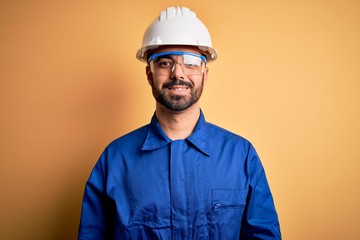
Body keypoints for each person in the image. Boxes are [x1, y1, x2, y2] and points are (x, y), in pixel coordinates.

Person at [78, 6, 281, 240]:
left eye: (191, 62)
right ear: (149, 74)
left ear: (205, 74)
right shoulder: (115, 159)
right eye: (165, 62)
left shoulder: (241, 156)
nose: (178, 73)